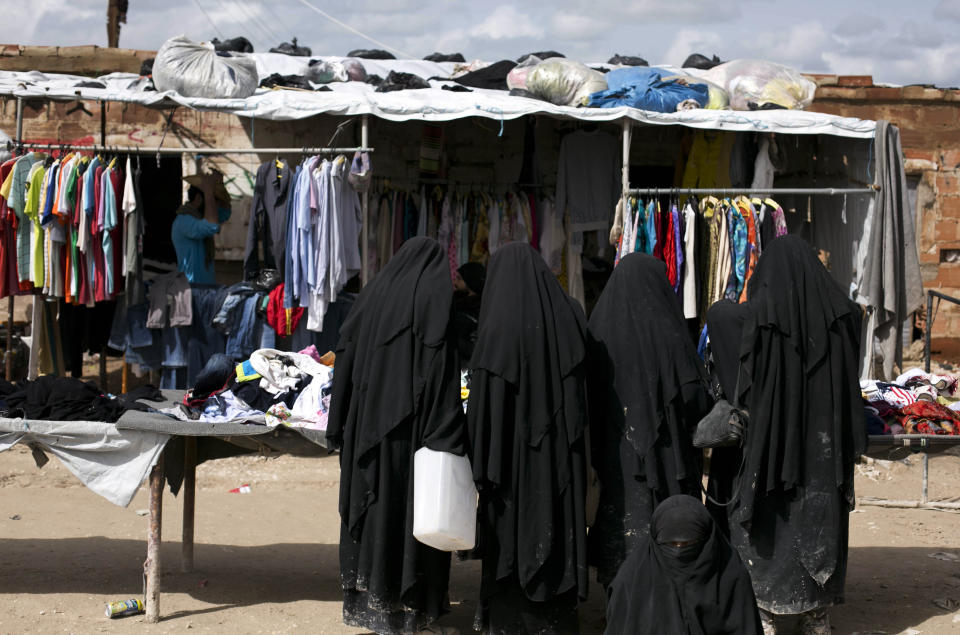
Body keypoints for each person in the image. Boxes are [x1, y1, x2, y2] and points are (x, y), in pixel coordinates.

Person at [704, 236, 865, 634]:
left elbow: (720, 318)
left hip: (766, 456)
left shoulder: (749, 322)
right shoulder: (842, 319)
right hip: (823, 457)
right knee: (818, 523)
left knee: (766, 524)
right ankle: (816, 614)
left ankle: (766, 613)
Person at [327, 237, 466, 635]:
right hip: (412, 440)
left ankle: (366, 602)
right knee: (407, 516)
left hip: (366, 435)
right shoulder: (433, 308)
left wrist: (341, 428)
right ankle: (410, 608)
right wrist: (449, 436)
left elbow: (344, 360)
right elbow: (441, 378)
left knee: (373, 512)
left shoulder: (371, 300)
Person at [466, 242, 589, 634]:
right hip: (559, 460)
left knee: (509, 532)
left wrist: (482, 462)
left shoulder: (495, 326)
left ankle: (507, 619)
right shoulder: (569, 314)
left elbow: (483, 410)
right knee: (557, 523)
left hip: (508, 467)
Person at [585, 253, 711, 588]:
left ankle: (621, 604)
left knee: (621, 531)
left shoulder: (597, 332)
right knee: (670, 536)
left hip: (616, 462)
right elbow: (693, 398)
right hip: (670, 460)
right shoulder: (672, 335)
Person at [605, 495, 763, 635]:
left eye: (690, 544)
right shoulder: (630, 581)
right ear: (655, 540)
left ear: (708, 541)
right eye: (672, 544)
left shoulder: (731, 576)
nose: (679, 551)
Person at [171, 172, 232, 284]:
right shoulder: (184, 221)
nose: (215, 206)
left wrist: (220, 186)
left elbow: (225, 212)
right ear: (199, 199)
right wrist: (208, 192)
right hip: (191, 288)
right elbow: (212, 226)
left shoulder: (199, 217)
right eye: (212, 201)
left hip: (205, 287)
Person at [452, 262, 485, 364]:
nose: (454, 281)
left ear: (470, 282)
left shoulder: (478, 308)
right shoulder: (456, 300)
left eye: (459, 279)